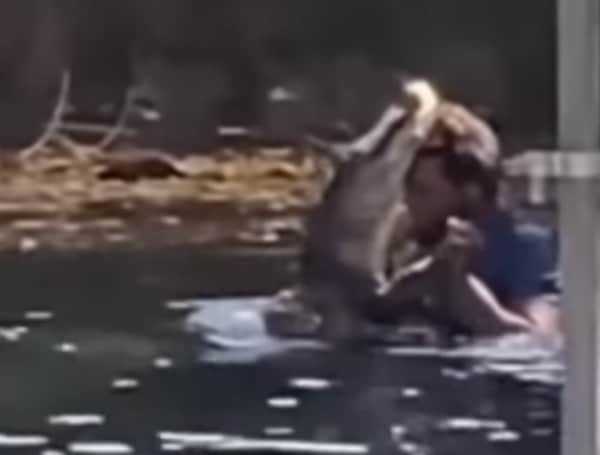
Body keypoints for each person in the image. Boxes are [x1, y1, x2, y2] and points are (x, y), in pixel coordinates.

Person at [369, 104, 560, 336]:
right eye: (406, 189)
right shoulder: (415, 246)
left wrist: (459, 285)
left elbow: (541, 340)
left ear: (472, 192)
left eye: (423, 191)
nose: (408, 203)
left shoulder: (527, 249)